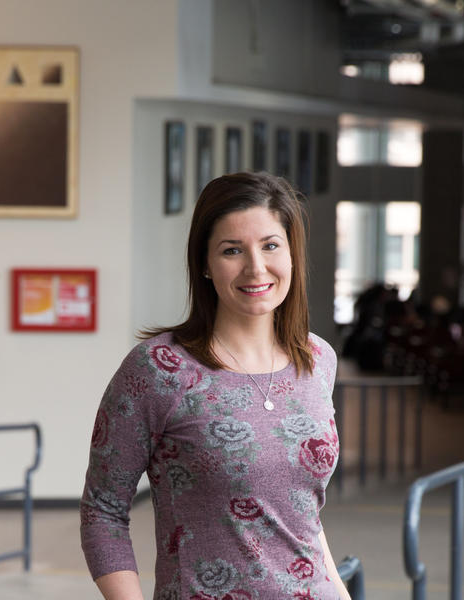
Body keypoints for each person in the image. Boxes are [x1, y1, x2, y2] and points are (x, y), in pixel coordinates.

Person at [80, 173, 353, 600]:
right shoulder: (159, 369)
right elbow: (102, 512)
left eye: (270, 245)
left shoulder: (317, 359)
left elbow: (302, 518)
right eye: (232, 250)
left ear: (292, 254)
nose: (256, 267)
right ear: (205, 264)